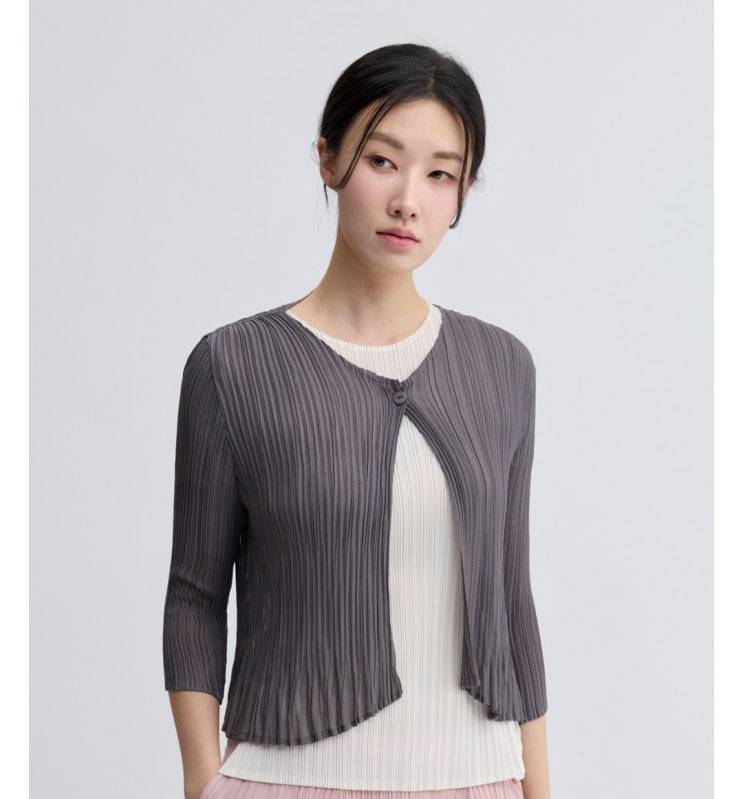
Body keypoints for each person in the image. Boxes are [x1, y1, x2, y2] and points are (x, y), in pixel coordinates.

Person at [163, 43, 550, 799]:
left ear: (463, 192)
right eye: (381, 161)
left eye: (440, 174)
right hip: (284, 780)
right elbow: (194, 597)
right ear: (328, 159)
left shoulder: (502, 367)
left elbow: (513, 600)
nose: (408, 199)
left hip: (481, 779)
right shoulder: (234, 365)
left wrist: (537, 788)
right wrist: (204, 783)